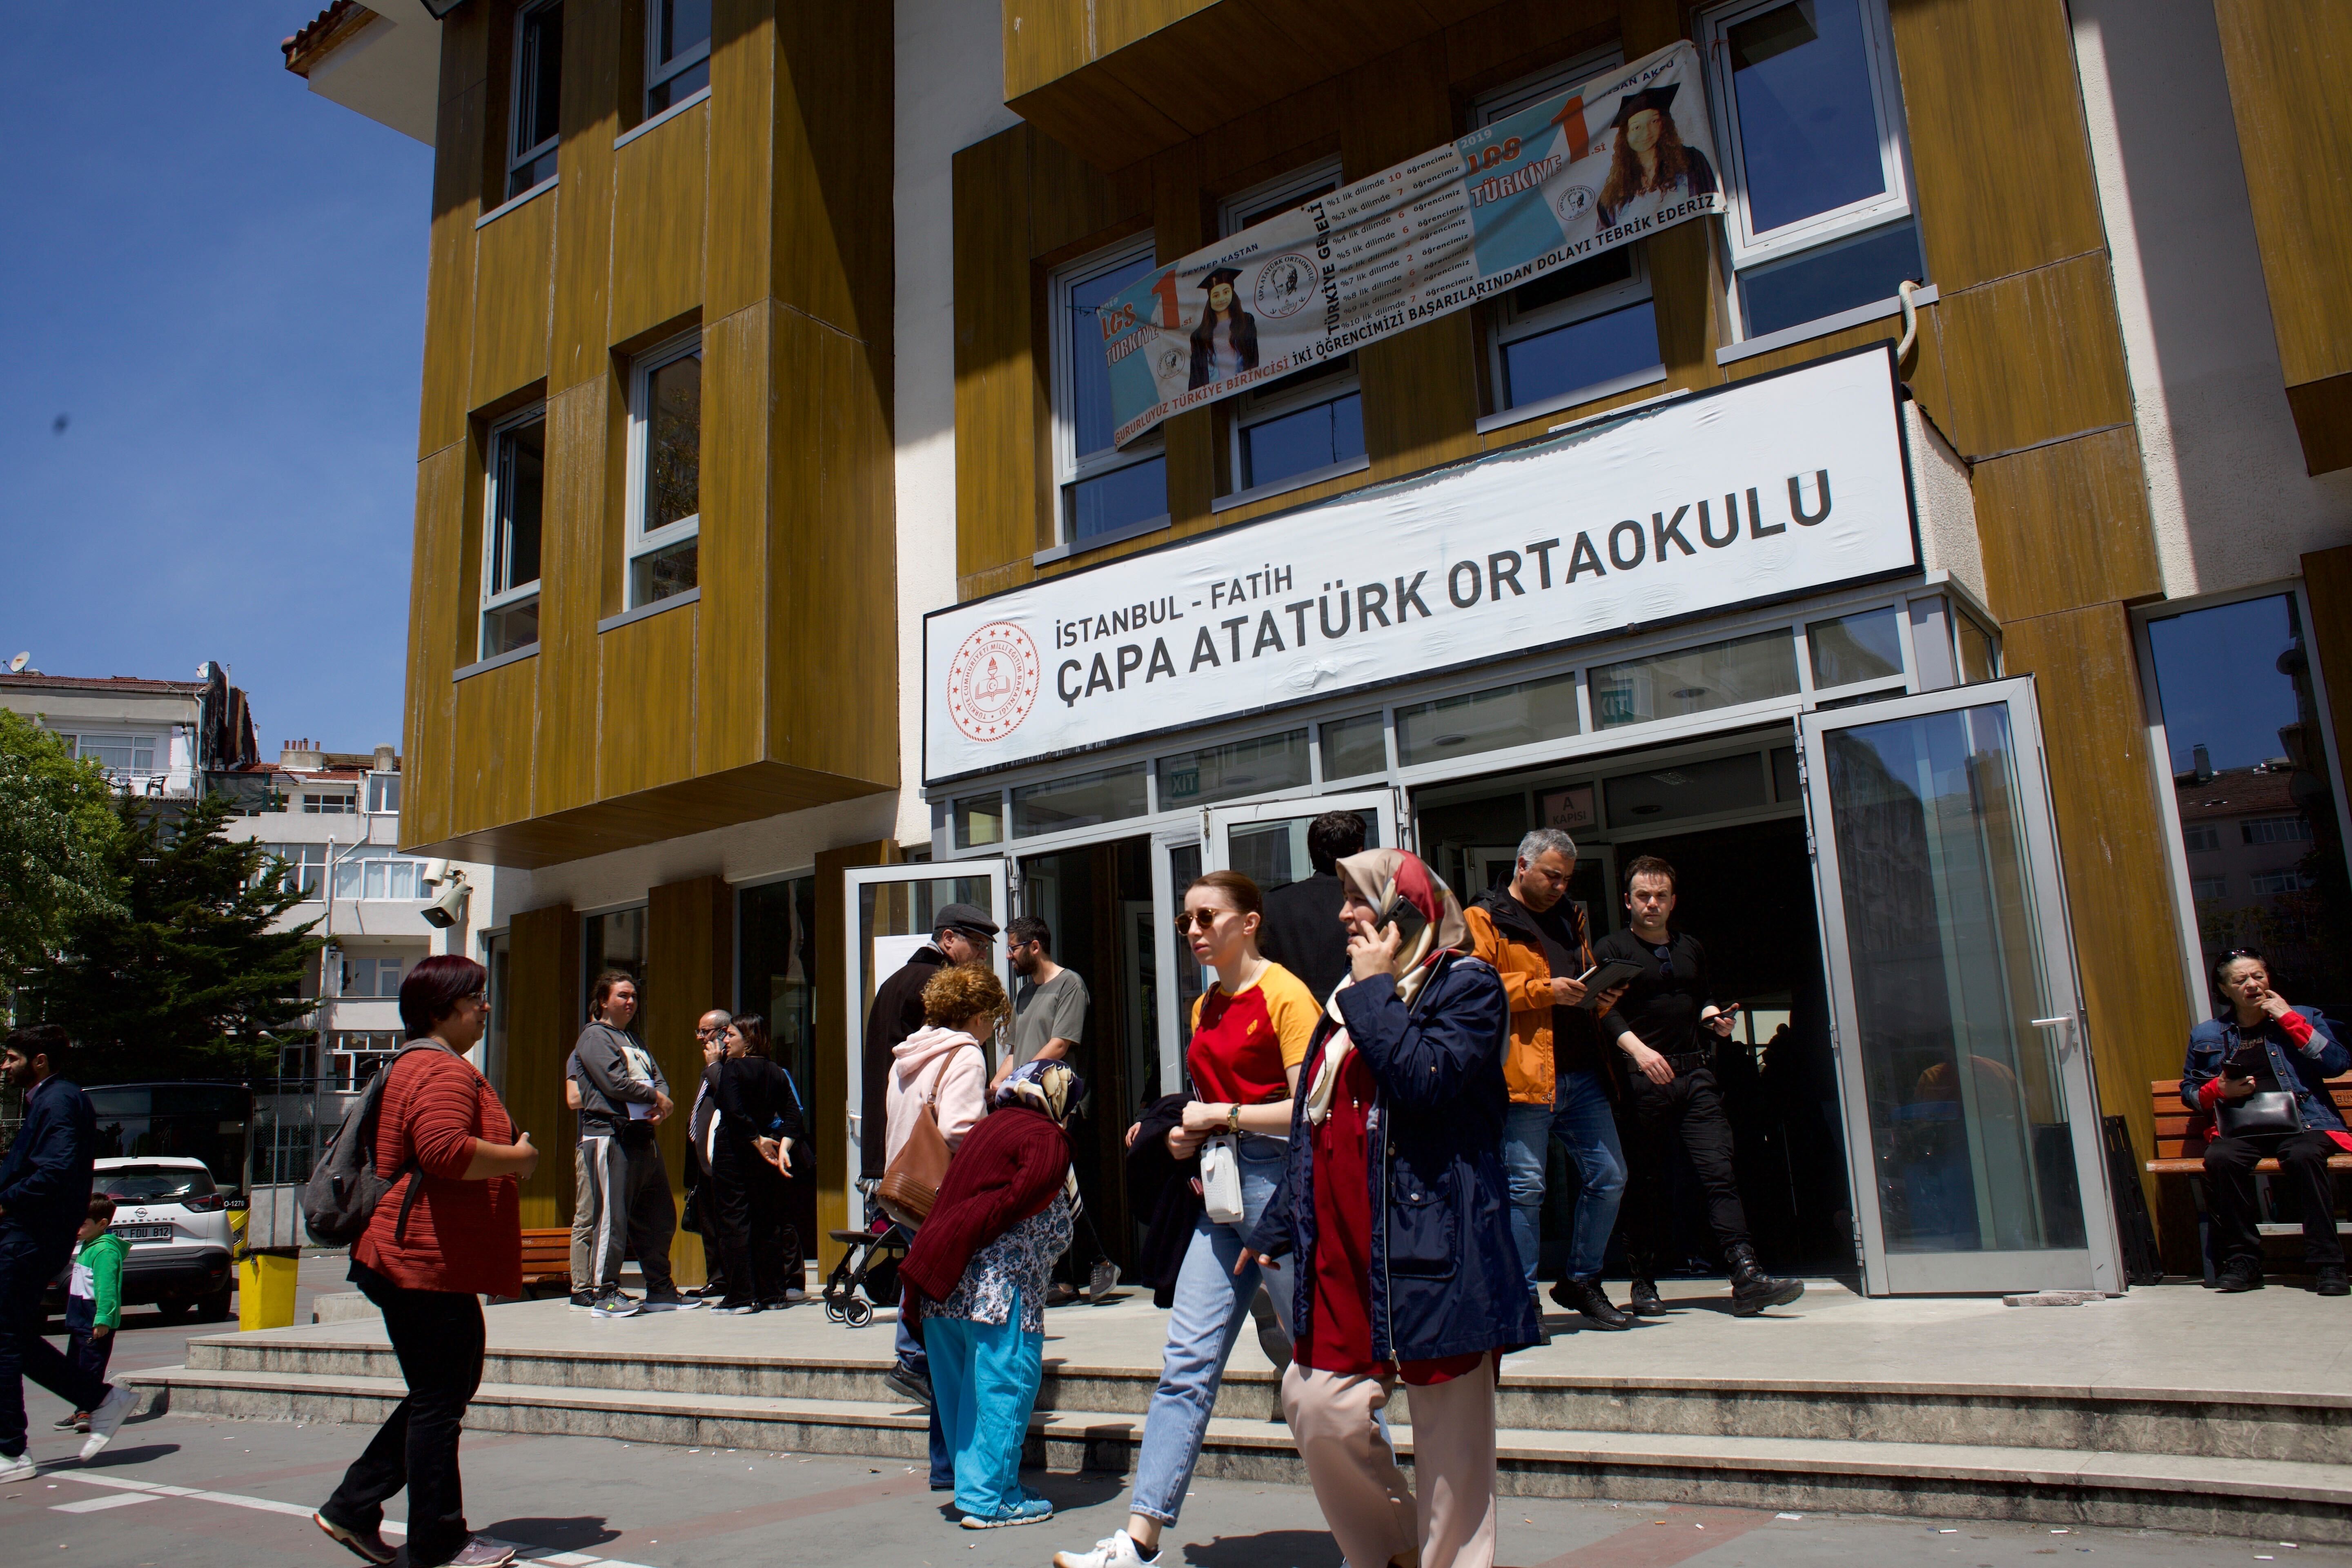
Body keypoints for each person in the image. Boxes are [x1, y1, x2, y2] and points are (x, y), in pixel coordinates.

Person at [1246, 848, 1532, 1568]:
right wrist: (1279, 1220)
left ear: (1407, 912)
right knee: (1317, 1407)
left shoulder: (1467, 987)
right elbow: (1323, 1124)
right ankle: (1393, 1550)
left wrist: (1375, 995)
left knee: (1453, 1453)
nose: (1345, 914)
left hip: (1441, 1245)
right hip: (1346, 1251)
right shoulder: (1350, 996)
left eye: (1360, 899)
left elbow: (1425, 1081)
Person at [1052, 871, 1318, 1568]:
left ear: (1250, 922)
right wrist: (1187, 1135)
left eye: (1208, 917)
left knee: (1320, 1368)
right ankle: (1139, 1540)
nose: (1195, 931)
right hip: (1222, 1190)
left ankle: (1382, 1535)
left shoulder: (1287, 996)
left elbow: (1310, 1110)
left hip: (1278, 1190)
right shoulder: (1207, 1007)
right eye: (1185, 922)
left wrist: (1219, 1118)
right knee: (1186, 1366)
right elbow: (1206, 1098)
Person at [312, 956, 536, 1568]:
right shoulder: (442, 1072)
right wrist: (518, 1159)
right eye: (476, 998)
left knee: (443, 1388)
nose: (484, 1008)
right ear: (442, 1010)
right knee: (441, 1395)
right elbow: (443, 1152)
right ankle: (438, 1540)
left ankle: (354, 1505)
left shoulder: (415, 1065)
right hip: (421, 1259)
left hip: (416, 1257)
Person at [1593, 857, 1802, 1317]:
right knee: (1645, 1182)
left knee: (1719, 1173)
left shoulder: (1691, 948)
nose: (1653, 904)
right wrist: (1640, 1054)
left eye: (1661, 896)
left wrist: (1716, 1020)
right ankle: (1643, 1281)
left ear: (1673, 901)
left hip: (1696, 1076)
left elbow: (1702, 997)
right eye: (1644, 896)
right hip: (1642, 1080)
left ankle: (1746, 1275)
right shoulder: (1611, 949)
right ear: (1628, 900)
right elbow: (1603, 1011)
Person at [1462, 827, 1630, 1334]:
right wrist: (1542, 991)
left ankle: (1581, 1280)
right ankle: (1523, 1296)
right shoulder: (1484, 916)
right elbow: (1472, 986)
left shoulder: (1570, 915)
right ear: (1522, 865)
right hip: (1523, 1075)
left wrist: (1600, 991)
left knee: (1609, 1177)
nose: (1560, 886)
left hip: (1580, 1068)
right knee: (1525, 1189)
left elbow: (1577, 975)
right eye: (1552, 876)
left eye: (1566, 879)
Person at [900, 1060, 1081, 1530]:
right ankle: (991, 1499)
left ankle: (979, 1488)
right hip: (998, 1286)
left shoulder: (988, 1129)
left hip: (943, 1280)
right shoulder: (1046, 1138)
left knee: (962, 1395)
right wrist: (986, 1227)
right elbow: (1023, 1198)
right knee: (1005, 1385)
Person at [881, 959, 1004, 1497]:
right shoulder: (966, 1055)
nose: (993, 1027)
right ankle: (958, 1463)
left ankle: (945, 1464)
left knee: (938, 1331)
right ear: (976, 1014)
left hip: (907, 1198)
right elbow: (958, 1128)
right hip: (946, 1201)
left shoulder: (910, 1055)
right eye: (992, 1017)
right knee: (959, 1339)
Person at [0, 1025, 136, 1479]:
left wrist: (7, 1199)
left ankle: (12, 1451)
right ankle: (100, 1399)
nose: (4, 1066)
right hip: (31, 1234)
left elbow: (56, 1170)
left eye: (11, 1058)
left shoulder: (58, 1099)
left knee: (3, 1338)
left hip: (30, 1236)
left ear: (39, 1060)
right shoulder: (49, 1098)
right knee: (11, 1337)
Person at [2182, 949, 2351, 1294]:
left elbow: (2336, 1064)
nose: (2252, 985)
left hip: (2305, 1122)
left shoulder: (2304, 1016)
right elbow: (2191, 1091)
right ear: (2224, 989)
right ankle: (2244, 1261)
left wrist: (2289, 1019)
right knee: (2221, 1159)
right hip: (2242, 1126)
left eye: (2258, 976)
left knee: (2304, 1156)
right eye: (2240, 980)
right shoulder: (2207, 1034)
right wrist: (2219, 1089)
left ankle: (2328, 1264)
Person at [999, 915, 1117, 1305]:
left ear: (1035, 947)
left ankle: (1099, 1262)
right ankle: (1063, 1278)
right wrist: (994, 1087)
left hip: (1060, 1105)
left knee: (1067, 1188)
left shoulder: (1070, 985)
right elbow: (1014, 1051)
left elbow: (1061, 1044)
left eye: (1014, 947)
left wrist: (1018, 1079)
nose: (1009, 956)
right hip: (1026, 1107)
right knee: (1051, 1191)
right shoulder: (1023, 996)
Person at [568, 972, 692, 1317]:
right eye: (623, 995)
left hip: (643, 1139)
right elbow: (613, 1081)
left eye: (634, 996)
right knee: (612, 1219)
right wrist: (656, 1096)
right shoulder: (594, 1037)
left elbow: (658, 1076)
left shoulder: (634, 1039)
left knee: (659, 1216)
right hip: (611, 1136)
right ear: (604, 1000)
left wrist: (661, 1099)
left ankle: (660, 1289)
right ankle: (605, 1292)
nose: (631, 1002)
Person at [862, 904, 998, 1187]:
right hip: (923, 1160)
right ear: (948, 939)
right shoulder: (940, 985)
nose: (983, 956)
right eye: (977, 944)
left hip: (888, 1147)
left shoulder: (892, 982)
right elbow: (944, 1063)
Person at [706, 1014, 807, 1313]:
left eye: (730, 1035)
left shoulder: (732, 1069)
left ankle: (741, 1296)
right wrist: (783, 1146)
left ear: (748, 1040)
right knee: (767, 1220)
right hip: (767, 1155)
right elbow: (794, 1115)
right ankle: (773, 1293)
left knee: (734, 1221)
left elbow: (732, 1110)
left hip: (735, 1150)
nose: (725, 1041)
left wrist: (755, 1139)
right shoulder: (775, 1071)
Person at [1257, 810, 1367, 1005]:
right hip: (1355, 1017)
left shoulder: (1274, 903)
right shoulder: (1369, 904)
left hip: (1288, 1018)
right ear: (1360, 852)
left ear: (1312, 853)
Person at [1592, 82, 1718, 229]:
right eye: (1637, 127)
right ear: (1625, 136)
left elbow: (1712, 205)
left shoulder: (1691, 161)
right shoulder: (1613, 196)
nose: (1646, 133)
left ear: (1663, 124)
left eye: (1654, 121)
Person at [54, 1196, 125, 1434]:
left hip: (94, 1321)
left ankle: (88, 1410)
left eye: (83, 1224)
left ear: (102, 1224)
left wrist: (104, 1319)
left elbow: (107, 1289)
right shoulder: (88, 1246)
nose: (77, 1228)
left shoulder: (105, 1251)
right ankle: (81, 1410)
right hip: (80, 1320)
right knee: (74, 1368)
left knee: (90, 1368)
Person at [683, 1009, 733, 1301]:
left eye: (706, 1032)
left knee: (725, 1221)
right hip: (702, 1159)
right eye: (699, 1032)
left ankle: (730, 1278)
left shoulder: (730, 1062)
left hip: (723, 1157)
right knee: (709, 1222)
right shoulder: (710, 1064)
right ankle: (716, 1278)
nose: (701, 1038)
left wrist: (715, 1065)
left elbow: (729, 1095)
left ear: (724, 1032)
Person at [1187, 265, 1258, 388]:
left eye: (1226, 292)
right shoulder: (1199, 336)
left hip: (1243, 388)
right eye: (1216, 295)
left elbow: (1253, 359)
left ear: (1232, 293)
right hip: (1214, 394)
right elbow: (1196, 377)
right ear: (1210, 299)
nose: (1221, 299)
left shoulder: (1246, 322)